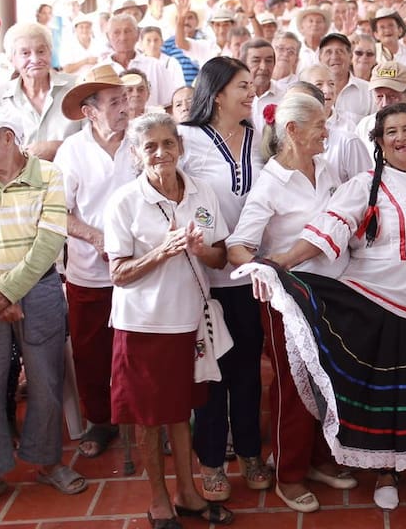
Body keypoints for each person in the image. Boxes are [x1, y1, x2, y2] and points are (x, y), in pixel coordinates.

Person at [244, 103, 406, 511]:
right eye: (390, 132)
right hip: (385, 307)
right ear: (380, 143)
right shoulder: (365, 186)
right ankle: (387, 470)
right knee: (393, 401)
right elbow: (329, 228)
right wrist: (281, 263)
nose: (400, 138)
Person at [226, 92, 358, 512]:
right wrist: (264, 272)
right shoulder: (270, 183)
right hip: (291, 298)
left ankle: (320, 458)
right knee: (293, 387)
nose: (327, 131)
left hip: (334, 292)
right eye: (320, 124)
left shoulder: (325, 166)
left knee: (329, 381)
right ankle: (289, 472)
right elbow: (238, 246)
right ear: (293, 131)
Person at [104, 112, 235, 529]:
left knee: (182, 411)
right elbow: (118, 274)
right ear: (136, 154)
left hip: (191, 321)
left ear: (180, 147)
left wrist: (199, 249)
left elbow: (220, 253)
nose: (161, 153)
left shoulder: (201, 193)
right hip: (144, 326)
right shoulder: (125, 201)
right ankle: (159, 500)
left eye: (168, 143)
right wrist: (161, 252)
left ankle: (188, 492)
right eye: (150, 146)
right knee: (148, 418)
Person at [0, 106, 86, 514]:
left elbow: (49, 242)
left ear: (8, 138)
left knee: (46, 382)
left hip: (38, 288)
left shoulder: (49, 176)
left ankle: (48, 463)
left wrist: (9, 290)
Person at [177, 57, 270, 500]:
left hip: (249, 275)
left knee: (247, 371)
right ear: (216, 94)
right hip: (204, 276)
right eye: (242, 86)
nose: (252, 93)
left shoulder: (259, 137)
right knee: (210, 375)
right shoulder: (187, 138)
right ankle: (212, 460)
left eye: (252, 86)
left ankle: (251, 452)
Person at [53, 67, 138, 459]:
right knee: (91, 351)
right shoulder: (73, 151)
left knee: (142, 346)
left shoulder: (139, 139)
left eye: (125, 99)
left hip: (141, 266)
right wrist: (98, 237)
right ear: (90, 112)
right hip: (89, 269)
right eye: (115, 102)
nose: (125, 108)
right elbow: (57, 212)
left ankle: (147, 418)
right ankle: (100, 421)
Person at [0, 23, 80, 161]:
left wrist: (58, 148)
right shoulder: (1, 96)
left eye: (41, 51)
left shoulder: (77, 87)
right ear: (12, 59)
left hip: (71, 178)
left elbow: (97, 139)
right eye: (25, 53)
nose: (35, 59)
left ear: (50, 53)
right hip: (19, 181)